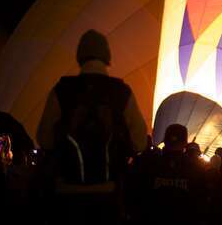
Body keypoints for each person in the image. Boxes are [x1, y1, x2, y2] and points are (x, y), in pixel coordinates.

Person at [35, 29, 147, 223]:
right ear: (107, 57)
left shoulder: (62, 90)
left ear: (79, 57)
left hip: (67, 192)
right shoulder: (121, 92)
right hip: (108, 192)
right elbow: (139, 142)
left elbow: (44, 139)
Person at [133, 124, 207, 225]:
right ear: (185, 143)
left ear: (165, 141)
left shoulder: (147, 164)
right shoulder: (196, 168)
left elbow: (137, 197)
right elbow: (201, 202)